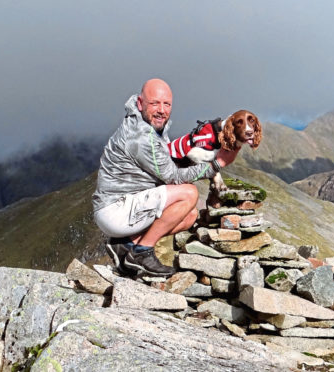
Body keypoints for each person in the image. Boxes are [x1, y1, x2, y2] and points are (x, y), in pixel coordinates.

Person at [92, 78, 237, 276]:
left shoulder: (150, 126)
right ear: (141, 103)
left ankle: (127, 245)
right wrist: (216, 165)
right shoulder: (142, 136)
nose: (161, 110)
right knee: (188, 193)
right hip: (116, 209)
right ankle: (142, 253)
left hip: (121, 206)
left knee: (189, 215)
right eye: (154, 103)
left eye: (166, 104)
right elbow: (173, 177)